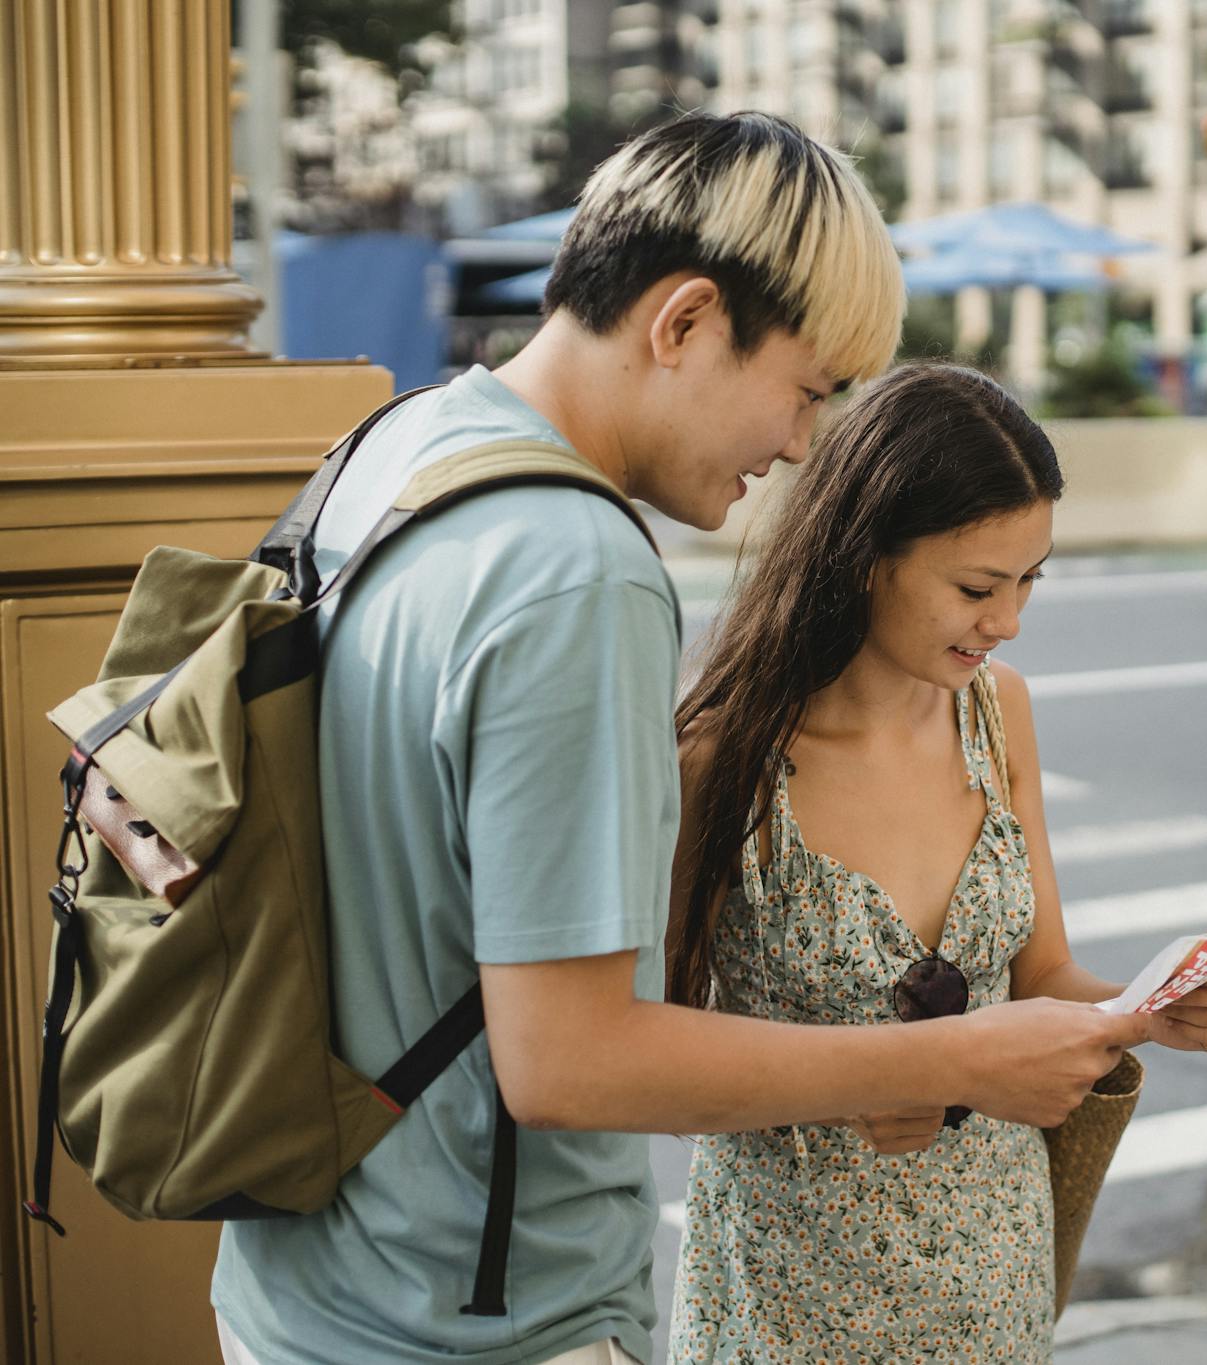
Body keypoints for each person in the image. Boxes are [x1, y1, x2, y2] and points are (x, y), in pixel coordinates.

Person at [209, 112, 1149, 1365]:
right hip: (480, 1316)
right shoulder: (574, 570)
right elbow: (569, 1059)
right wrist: (950, 1056)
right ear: (686, 322)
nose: (804, 444)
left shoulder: (397, 452)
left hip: (305, 1274)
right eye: (805, 388)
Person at [665, 363, 1207, 1362]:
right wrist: (853, 1085)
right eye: (976, 587)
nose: (1008, 620)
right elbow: (650, 1055)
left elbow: (1038, 977)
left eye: (1029, 582)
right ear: (863, 557)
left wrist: (1148, 1010)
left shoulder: (999, 714)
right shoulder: (721, 763)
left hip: (997, 1275)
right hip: (791, 1298)